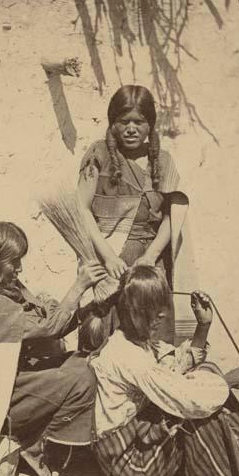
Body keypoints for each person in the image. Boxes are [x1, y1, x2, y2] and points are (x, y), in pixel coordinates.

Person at [89, 265, 239, 476]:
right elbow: (186, 397)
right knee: (195, 410)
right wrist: (227, 382)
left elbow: (175, 367)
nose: (163, 316)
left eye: (162, 309)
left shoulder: (137, 344)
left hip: (141, 442)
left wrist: (203, 326)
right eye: (156, 312)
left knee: (205, 375)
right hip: (130, 465)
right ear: (135, 313)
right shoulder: (127, 356)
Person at [0, 221, 107, 476]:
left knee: (84, 364)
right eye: (15, 261)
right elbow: (48, 328)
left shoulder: (3, 286)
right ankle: (47, 450)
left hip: (16, 378)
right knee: (80, 376)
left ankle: (41, 446)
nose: (20, 268)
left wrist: (94, 306)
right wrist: (80, 285)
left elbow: (49, 322)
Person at [78, 84, 189, 345]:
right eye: (123, 121)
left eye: (139, 122)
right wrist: (107, 257)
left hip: (149, 263)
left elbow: (173, 215)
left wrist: (150, 257)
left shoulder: (163, 161)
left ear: (150, 125)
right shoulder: (99, 154)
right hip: (107, 259)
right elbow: (80, 208)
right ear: (112, 122)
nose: (131, 128)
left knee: (153, 334)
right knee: (105, 335)